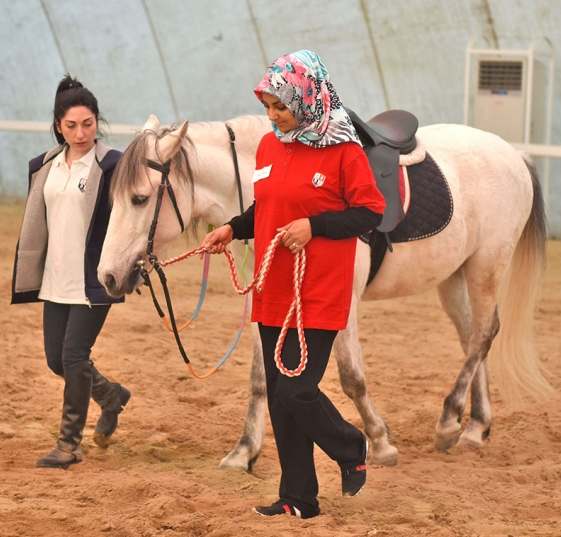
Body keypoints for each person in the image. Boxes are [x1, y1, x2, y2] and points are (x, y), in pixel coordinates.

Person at [200, 50, 385, 518]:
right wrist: (233, 228)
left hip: (318, 290)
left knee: (296, 390)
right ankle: (298, 497)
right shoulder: (269, 146)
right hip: (273, 288)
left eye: (280, 106)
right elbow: (267, 206)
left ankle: (351, 446)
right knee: (283, 405)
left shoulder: (345, 150)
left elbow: (370, 212)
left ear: (308, 98)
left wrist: (315, 227)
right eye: (268, 106)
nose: (273, 116)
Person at [11, 75, 131, 469]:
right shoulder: (44, 166)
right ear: (58, 125)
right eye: (71, 125)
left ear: (98, 121)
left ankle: (69, 444)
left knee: (75, 357)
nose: (81, 133)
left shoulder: (114, 165)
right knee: (56, 361)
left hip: (94, 280)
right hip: (55, 278)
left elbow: (133, 218)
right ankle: (110, 396)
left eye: (88, 123)